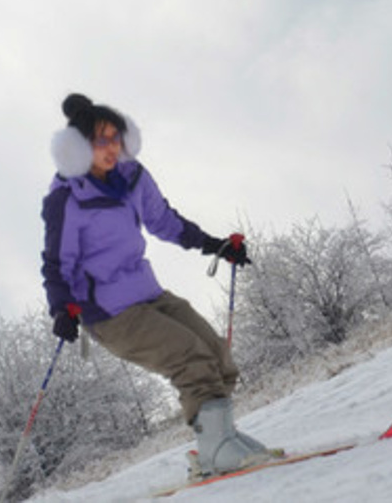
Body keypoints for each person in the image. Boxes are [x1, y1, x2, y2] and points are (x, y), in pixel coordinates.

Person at [39, 93, 272, 477]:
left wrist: (214, 245)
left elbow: (164, 220)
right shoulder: (67, 198)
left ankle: (216, 442)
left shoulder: (131, 176)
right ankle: (217, 451)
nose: (112, 147)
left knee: (216, 354)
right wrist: (61, 309)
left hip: (147, 293)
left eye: (115, 137)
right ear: (80, 148)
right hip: (109, 313)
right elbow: (55, 264)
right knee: (188, 356)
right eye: (100, 140)